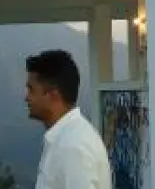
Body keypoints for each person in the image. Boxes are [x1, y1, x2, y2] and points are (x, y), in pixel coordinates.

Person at [25, 49, 112, 189]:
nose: (27, 98)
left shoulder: (73, 146)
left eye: (31, 90)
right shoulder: (65, 138)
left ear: (53, 95)